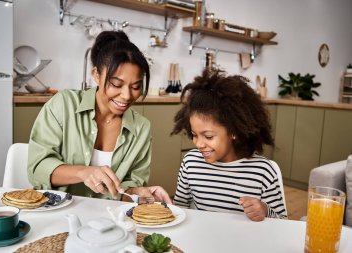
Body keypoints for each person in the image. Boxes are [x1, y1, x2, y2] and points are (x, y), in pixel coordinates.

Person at [27, 31, 171, 203]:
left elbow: (128, 189)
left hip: (109, 222)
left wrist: (138, 192)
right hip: (58, 213)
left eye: (136, 86)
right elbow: (37, 169)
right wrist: (84, 172)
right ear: (96, 74)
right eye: (116, 84)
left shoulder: (141, 128)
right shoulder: (63, 105)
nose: (126, 95)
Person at [171, 69, 287, 221]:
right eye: (194, 134)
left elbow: (282, 222)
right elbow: (180, 210)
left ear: (234, 131)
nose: (198, 144)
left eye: (208, 136)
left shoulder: (263, 172)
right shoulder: (190, 162)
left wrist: (264, 210)